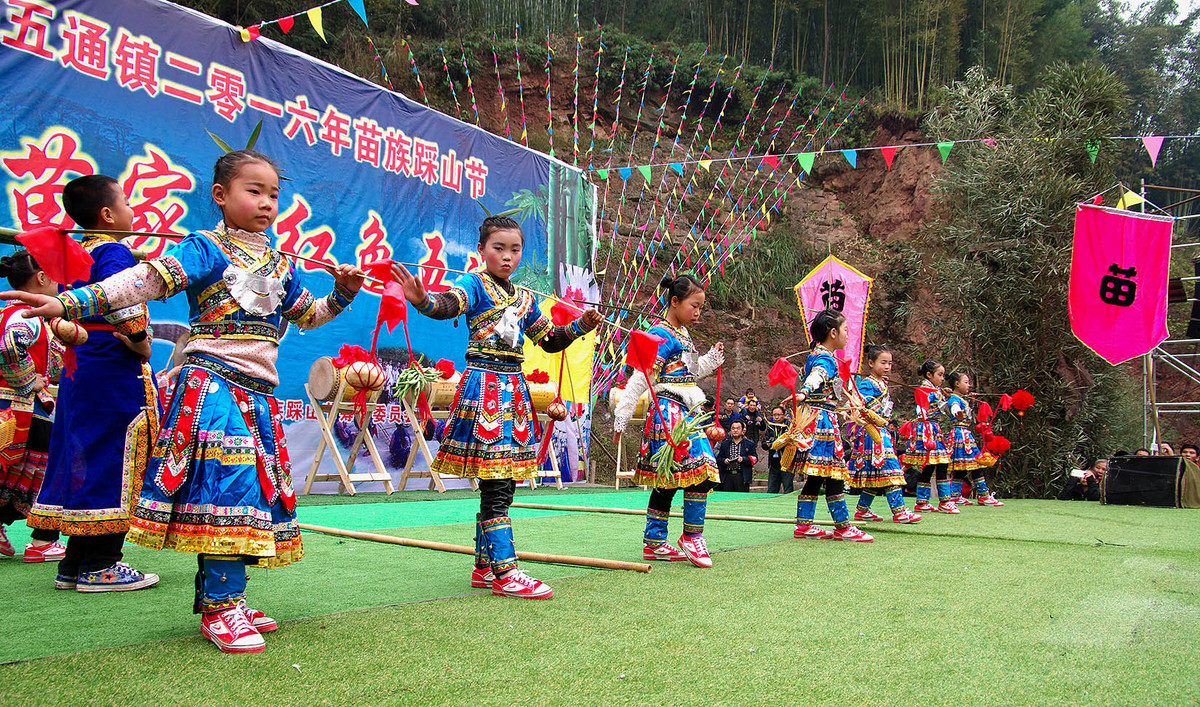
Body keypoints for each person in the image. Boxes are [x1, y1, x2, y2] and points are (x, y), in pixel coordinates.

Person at [4, 150, 365, 653]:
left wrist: (343, 294)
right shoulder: (204, 248)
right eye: (253, 191)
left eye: (273, 195)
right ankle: (222, 607)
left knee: (250, 497)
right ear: (219, 196)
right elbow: (142, 281)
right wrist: (70, 302)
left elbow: (309, 315)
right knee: (228, 491)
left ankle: (224, 598)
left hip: (258, 393)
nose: (266, 203)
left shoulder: (282, 263)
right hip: (213, 384)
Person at [395, 215, 601, 598]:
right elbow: (447, 305)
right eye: (498, 248)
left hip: (514, 389)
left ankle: (483, 566)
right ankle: (505, 572)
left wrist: (581, 325)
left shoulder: (525, 298)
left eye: (515, 250)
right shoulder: (473, 284)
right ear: (481, 250)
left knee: (502, 483)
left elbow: (550, 340)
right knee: (497, 485)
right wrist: (423, 300)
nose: (507, 257)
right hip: (485, 388)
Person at [26, 174, 160, 589]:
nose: (132, 212)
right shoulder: (115, 252)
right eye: (126, 204)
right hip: (111, 366)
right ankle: (101, 563)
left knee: (86, 455)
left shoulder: (75, 254)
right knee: (115, 456)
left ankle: (74, 564)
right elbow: (125, 306)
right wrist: (141, 345)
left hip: (79, 366)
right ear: (107, 214)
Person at [613, 274, 724, 567]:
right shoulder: (661, 335)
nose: (698, 313)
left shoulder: (682, 334)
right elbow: (643, 377)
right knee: (700, 472)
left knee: (671, 478)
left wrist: (711, 361)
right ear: (674, 302)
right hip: (670, 414)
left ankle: (655, 542)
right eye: (694, 306)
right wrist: (622, 416)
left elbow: (689, 372)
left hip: (686, 412)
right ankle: (691, 536)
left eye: (701, 307)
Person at [0, 252, 64, 561]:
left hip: (16, 407)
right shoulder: (26, 315)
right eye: (53, 274)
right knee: (38, 473)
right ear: (40, 278)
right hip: (25, 408)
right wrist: (30, 381)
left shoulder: (13, 312)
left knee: (11, 473)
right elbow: (10, 346)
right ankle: (42, 542)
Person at [790, 309, 873, 542]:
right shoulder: (825, 358)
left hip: (818, 419)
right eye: (845, 330)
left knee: (817, 475)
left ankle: (804, 525)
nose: (848, 334)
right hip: (822, 423)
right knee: (834, 474)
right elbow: (817, 376)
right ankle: (843, 527)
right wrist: (805, 392)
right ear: (833, 332)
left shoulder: (816, 354)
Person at [847, 345, 922, 524]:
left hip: (880, 430)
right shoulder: (866, 384)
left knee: (877, 473)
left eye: (890, 363)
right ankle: (900, 511)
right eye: (883, 362)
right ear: (871, 363)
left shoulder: (881, 383)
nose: (887, 366)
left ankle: (862, 510)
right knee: (890, 469)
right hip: (872, 434)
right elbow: (862, 405)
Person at [900, 360, 957, 514]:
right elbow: (921, 410)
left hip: (933, 428)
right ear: (929, 375)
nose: (942, 378)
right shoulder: (924, 390)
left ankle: (922, 501)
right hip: (927, 429)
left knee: (931, 465)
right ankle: (944, 500)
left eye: (943, 375)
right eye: (940, 375)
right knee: (940, 464)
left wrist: (941, 394)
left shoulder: (933, 390)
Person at [945, 371, 1004, 507]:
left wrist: (970, 401)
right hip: (961, 435)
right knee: (976, 463)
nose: (969, 385)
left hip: (962, 433)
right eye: (966, 382)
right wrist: (957, 413)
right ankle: (983, 495)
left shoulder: (961, 398)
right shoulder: (954, 399)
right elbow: (954, 408)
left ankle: (955, 495)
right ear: (957, 383)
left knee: (962, 467)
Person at [716, 420, 755, 492]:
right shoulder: (725, 443)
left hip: (742, 475)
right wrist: (724, 460)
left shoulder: (749, 444)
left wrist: (744, 459)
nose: (735, 430)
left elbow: (754, 459)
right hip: (727, 475)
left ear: (743, 430)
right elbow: (719, 458)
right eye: (733, 428)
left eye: (738, 428)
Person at [762, 406, 794, 493]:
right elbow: (764, 444)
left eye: (779, 415)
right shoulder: (771, 427)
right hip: (774, 462)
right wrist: (768, 444)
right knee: (771, 489)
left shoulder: (789, 427)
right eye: (774, 415)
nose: (776, 417)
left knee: (788, 488)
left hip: (786, 462)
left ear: (784, 415)